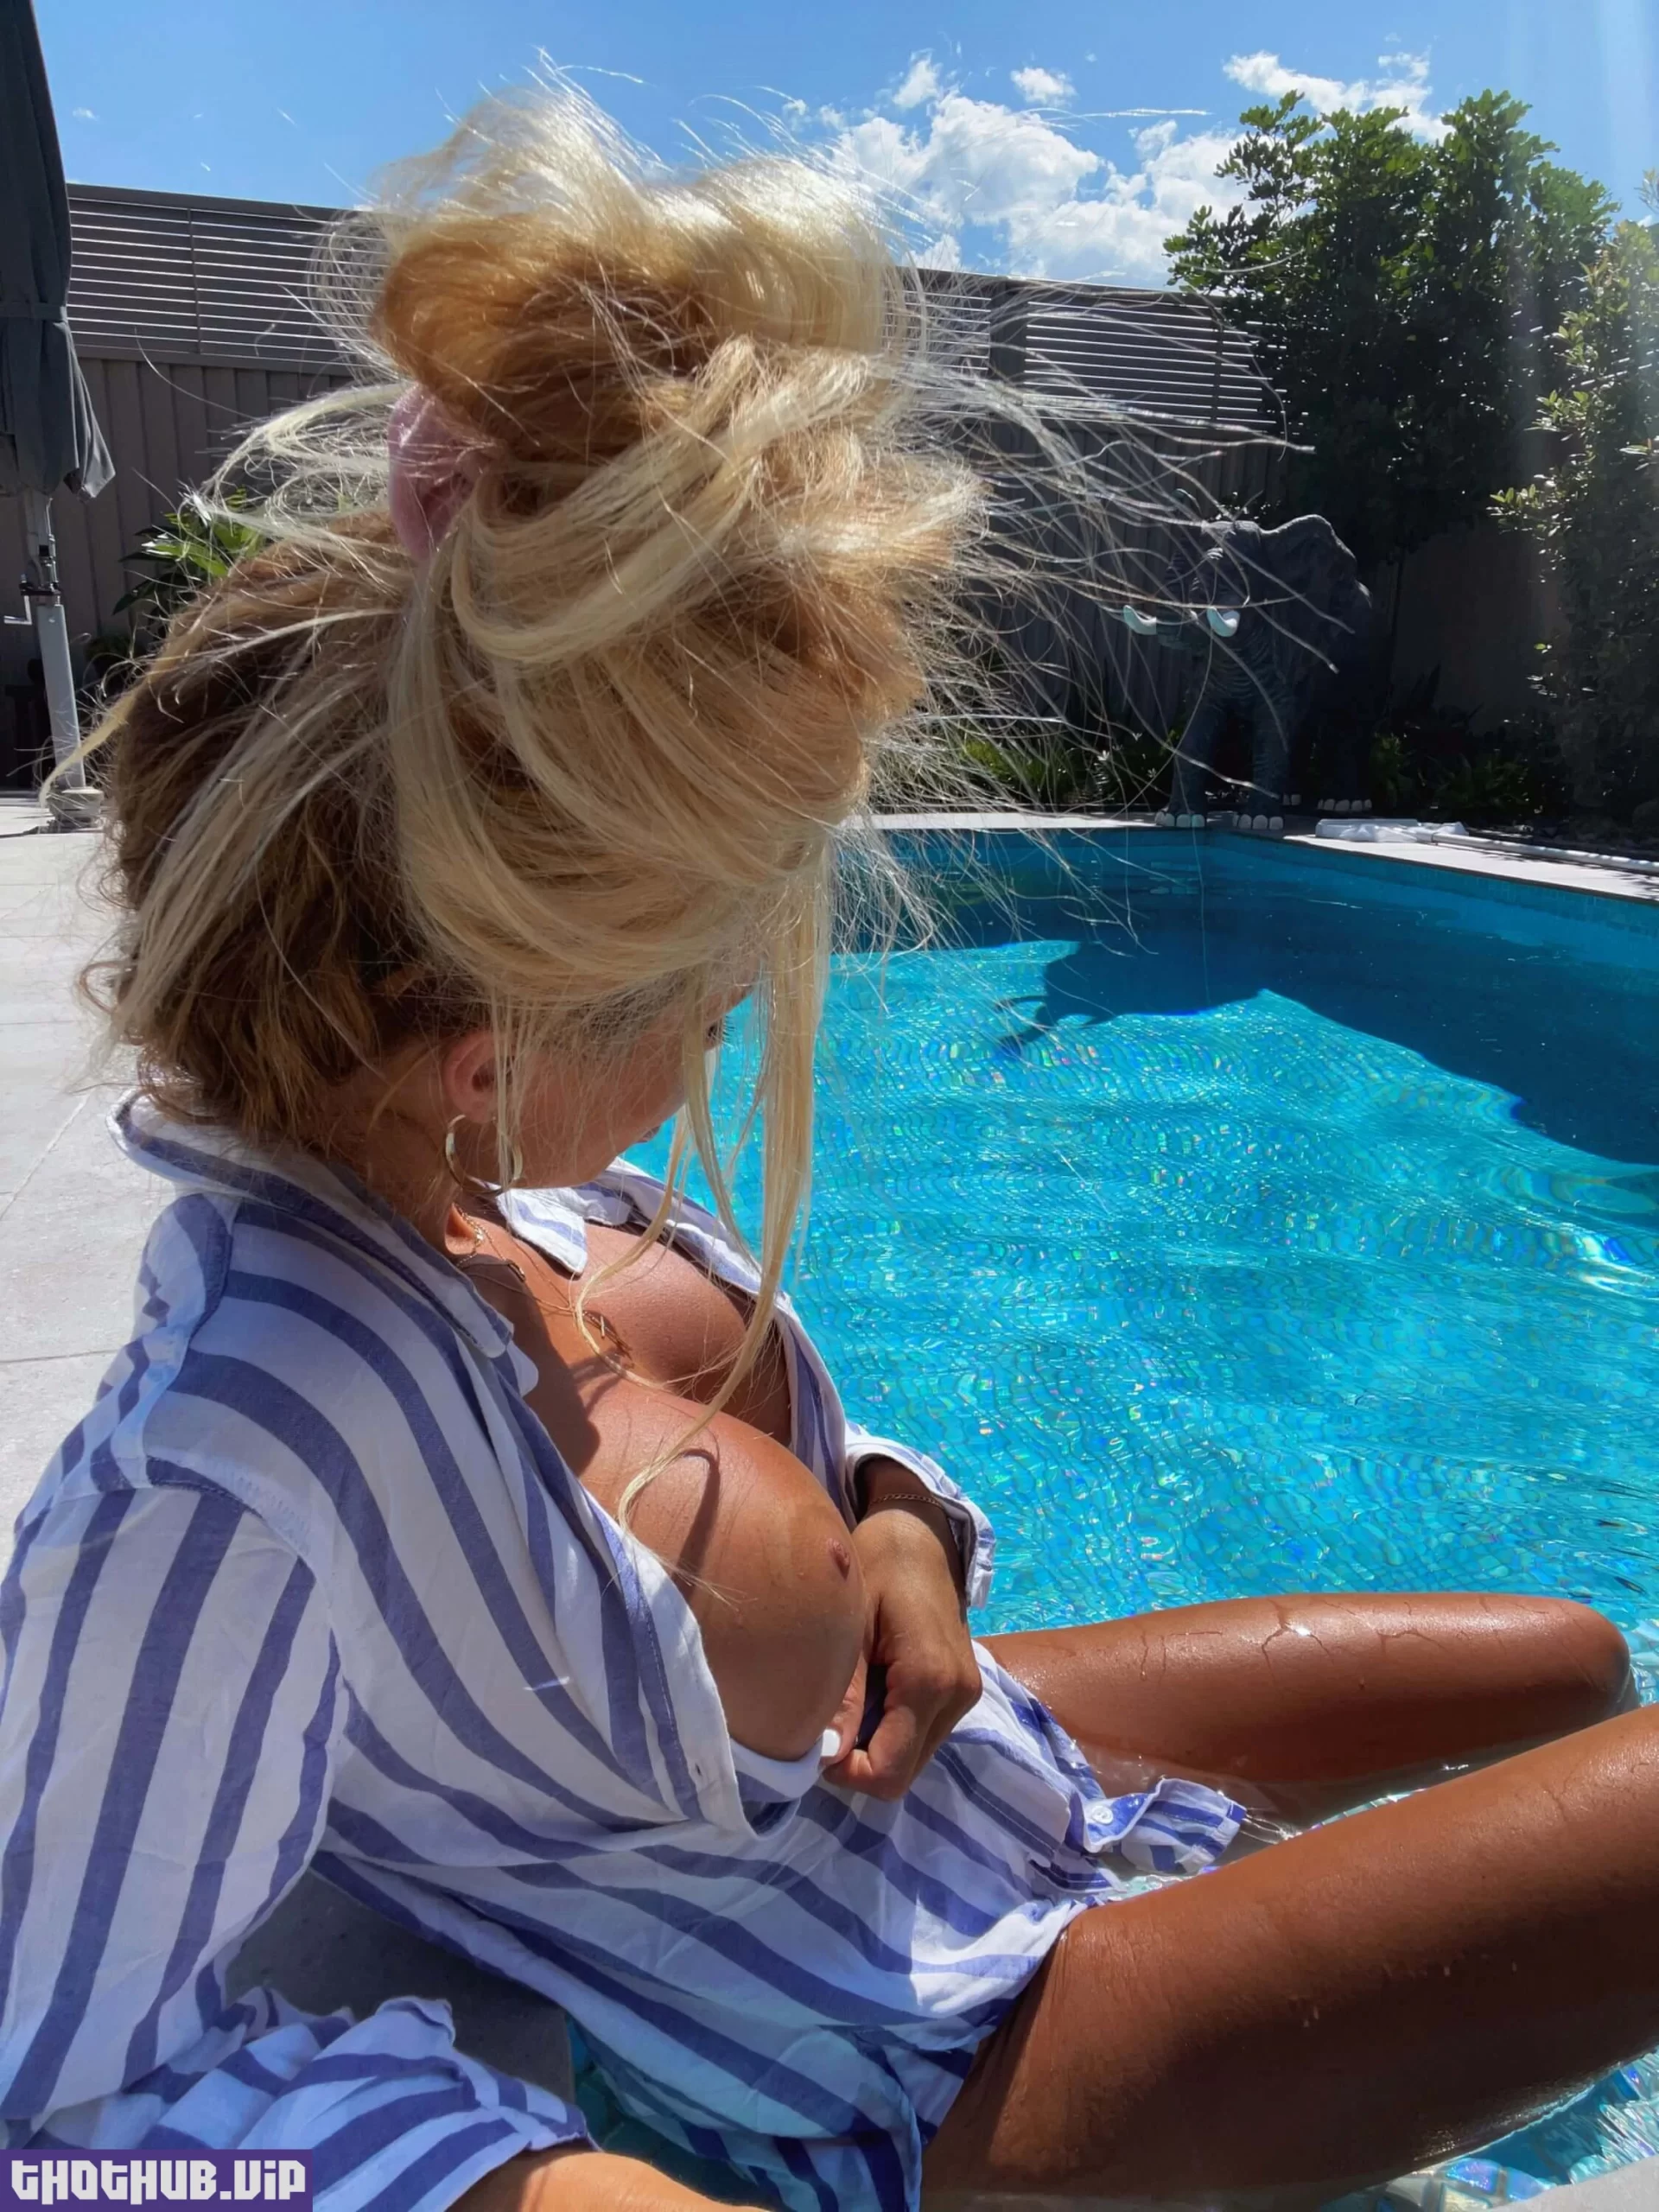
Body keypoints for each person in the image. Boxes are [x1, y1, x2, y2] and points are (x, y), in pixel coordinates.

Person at [3, 89, 1658, 2212]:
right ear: (490, 1043)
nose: (747, 996)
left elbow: (766, 1444)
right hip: (944, 2051)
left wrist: (891, 1516)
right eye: (719, 960)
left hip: (989, 1782)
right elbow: (72, 2114)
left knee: (1576, 1660)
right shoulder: (240, 1446)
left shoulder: (502, 1196)